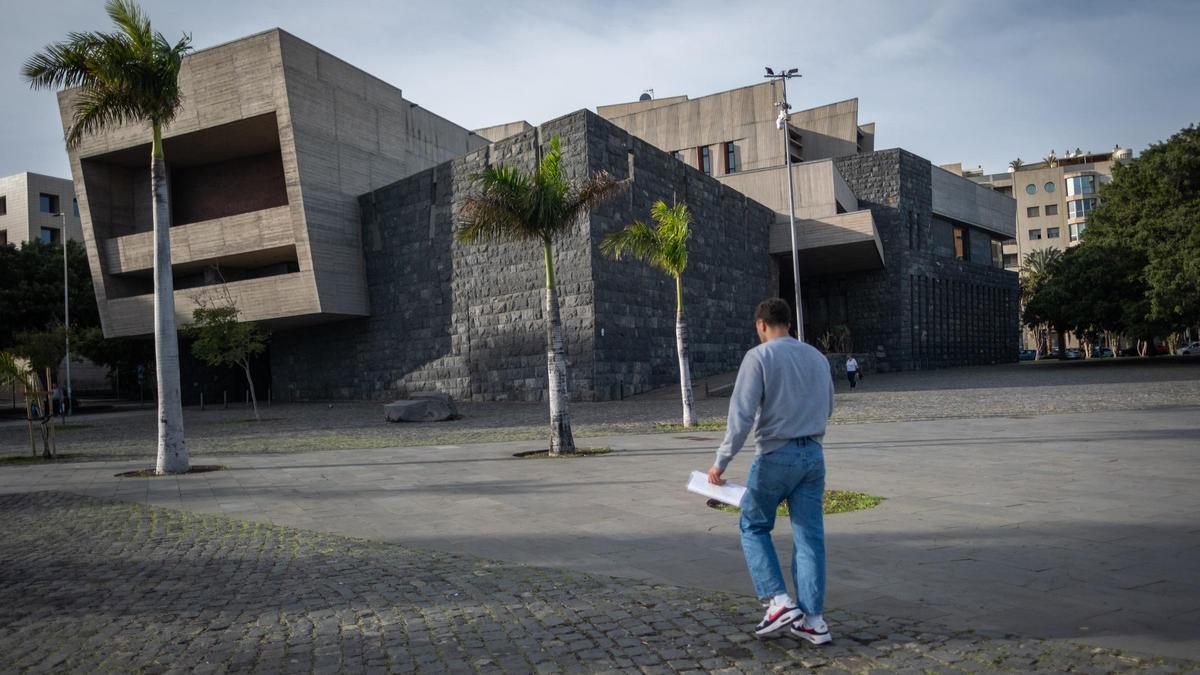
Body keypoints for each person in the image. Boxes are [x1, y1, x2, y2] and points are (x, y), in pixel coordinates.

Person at [708, 298, 835, 644]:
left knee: (753, 523)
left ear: (761, 325)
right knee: (809, 537)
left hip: (776, 454)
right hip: (814, 454)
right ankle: (813, 619)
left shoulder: (759, 357)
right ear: (788, 324)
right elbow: (830, 407)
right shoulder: (817, 358)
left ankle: (777, 601)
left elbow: (742, 415)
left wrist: (721, 462)